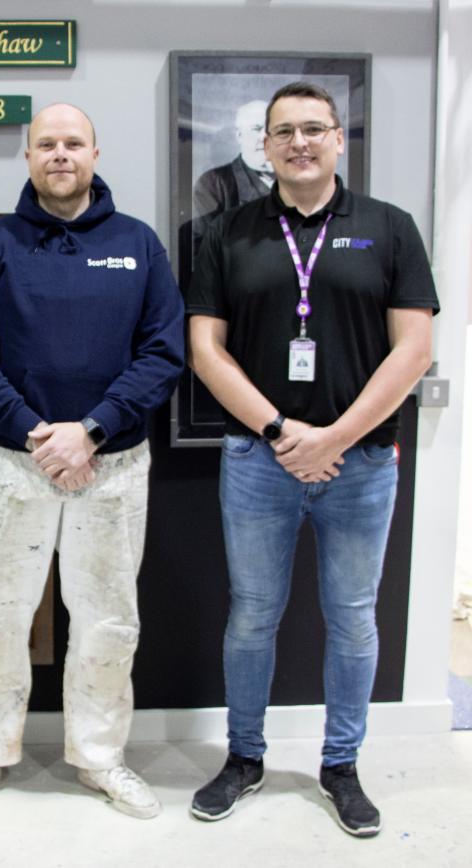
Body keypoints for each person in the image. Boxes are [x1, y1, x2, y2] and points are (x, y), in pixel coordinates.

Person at [186, 81, 437, 838]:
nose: (299, 142)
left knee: (353, 619)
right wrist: (280, 433)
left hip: (359, 464)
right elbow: (205, 350)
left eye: (314, 129)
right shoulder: (226, 233)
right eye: (283, 131)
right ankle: (244, 758)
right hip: (259, 462)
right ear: (264, 146)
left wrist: (330, 437)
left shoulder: (390, 229)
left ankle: (341, 766)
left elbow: (414, 350)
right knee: (252, 616)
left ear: (338, 139)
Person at [0, 103, 184, 821]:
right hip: (16, 463)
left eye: (73, 143)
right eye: (47, 144)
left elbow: (163, 351)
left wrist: (93, 431)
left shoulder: (138, 244)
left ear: (96, 153)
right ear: (29, 157)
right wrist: (42, 434)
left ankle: (101, 758)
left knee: (108, 619)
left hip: (112, 463)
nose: (61, 155)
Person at [193, 99, 275, 221]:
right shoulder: (214, 184)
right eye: (256, 129)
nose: (265, 137)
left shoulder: (295, 178)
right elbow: (202, 238)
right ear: (239, 136)